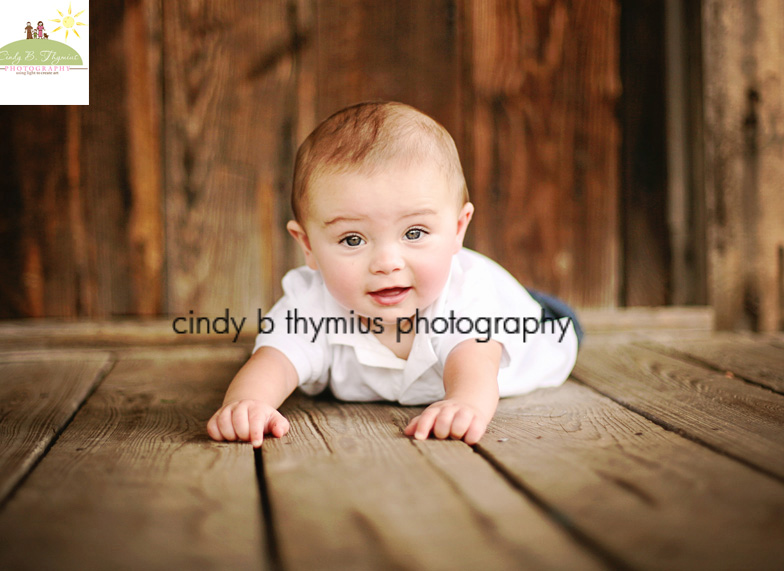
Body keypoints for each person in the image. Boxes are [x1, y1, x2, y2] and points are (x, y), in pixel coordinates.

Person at [207, 101, 581, 447]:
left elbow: (476, 367)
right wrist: (247, 404)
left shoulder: (468, 296)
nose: (386, 263)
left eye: (414, 233)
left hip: (541, 325)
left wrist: (462, 404)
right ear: (307, 246)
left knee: (522, 315)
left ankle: (531, 302)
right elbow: (271, 363)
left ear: (457, 229)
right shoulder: (310, 303)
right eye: (352, 239)